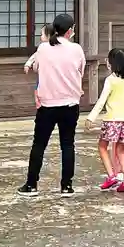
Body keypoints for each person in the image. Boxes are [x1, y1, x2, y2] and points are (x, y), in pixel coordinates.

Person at [18, 14, 86, 197]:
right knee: (68, 144)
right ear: (70, 30)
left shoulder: (43, 49)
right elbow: (81, 70)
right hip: (70, 104)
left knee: (39, 144)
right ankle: (66, 186)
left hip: (47, 104)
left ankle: (31, 185)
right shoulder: (77, 49)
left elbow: (36, 68)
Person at [88, 47, 124, 193]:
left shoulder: (110, 80)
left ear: (112, 63)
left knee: (102, 146)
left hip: (112, 120)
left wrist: (91, 117)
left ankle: (111, 176)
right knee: (121, 151)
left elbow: (102, 100)